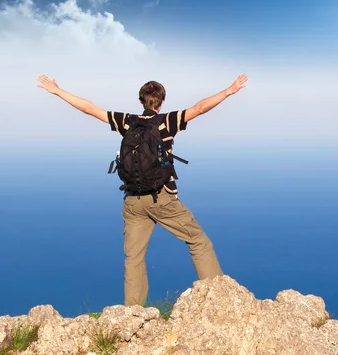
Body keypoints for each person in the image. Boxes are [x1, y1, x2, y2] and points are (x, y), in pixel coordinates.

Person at [36, 73, 249, 306]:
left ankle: (132, 312)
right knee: (199, 241)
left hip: (132, 201)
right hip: (162, 199)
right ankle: (220, 300)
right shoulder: (167, 122)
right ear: (162, 102)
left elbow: (89, 109)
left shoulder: (127, 122)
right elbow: (199, 108)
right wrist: (229, 91)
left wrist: (58, 91)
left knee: (134, 258)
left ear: (141, 101)